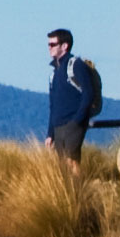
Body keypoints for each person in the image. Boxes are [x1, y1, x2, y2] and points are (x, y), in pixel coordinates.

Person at [43, 29, 105, 165]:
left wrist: (77, 120)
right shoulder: (54, 73)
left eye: (53, 44)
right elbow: (53, 105)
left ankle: (77, 187)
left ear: (64, 46)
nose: (49, 47)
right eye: (48, 44)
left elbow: (88, 93)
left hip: (73, 122)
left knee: (72, 160)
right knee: (63, 164)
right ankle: (68, 187)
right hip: (58, 125)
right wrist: (50, 133)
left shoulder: (76, 65)